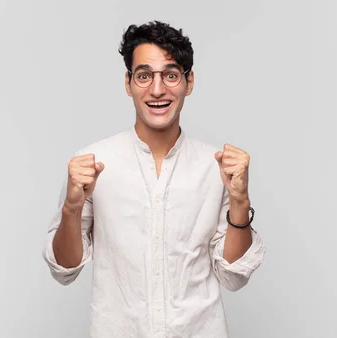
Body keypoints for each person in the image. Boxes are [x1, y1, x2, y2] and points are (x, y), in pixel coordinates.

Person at [42, 20, 266, 337]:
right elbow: (64, 269)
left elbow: (234, 275)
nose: (157, 90)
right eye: (144, 75)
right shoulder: (94, 163)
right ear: (128, 83)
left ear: (189, 82)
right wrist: (71, 208)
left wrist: (241, 201)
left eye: (170, 75)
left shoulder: (216, 167)